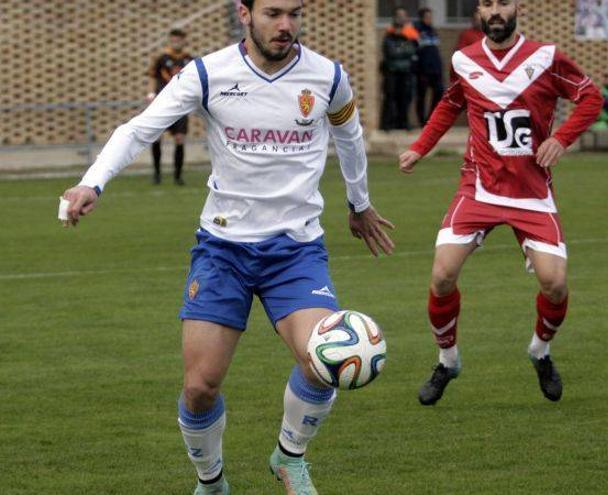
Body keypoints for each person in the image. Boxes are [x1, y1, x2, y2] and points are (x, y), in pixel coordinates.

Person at [60, 1, 395, 493]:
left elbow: (349, 137)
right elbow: (138, 129)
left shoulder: (328, 77)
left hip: (295, 250)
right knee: (199, 387)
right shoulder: (206, 73)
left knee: (323, 361)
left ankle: (289, 456)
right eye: (274, 13)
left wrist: (359, 203)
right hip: (223, 249)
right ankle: (212, 481)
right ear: (245, 13)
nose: (286, 26)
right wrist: (93, 182)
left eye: (294, 14)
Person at [399, 0, 603, 404]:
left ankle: (540, 351)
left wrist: (561, 139)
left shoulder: (546, 57)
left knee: (555, 284)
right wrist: (421, 147)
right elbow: (450, 104)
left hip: (531, 192)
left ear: (517, 7)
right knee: (441, 276)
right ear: (479, 10)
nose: (495, 11)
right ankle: (447, 360)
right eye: (487, 4)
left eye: (502, 3)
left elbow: (591, 97)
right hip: (479, 188)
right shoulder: (463, 60)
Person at [148, 28, 193, 185]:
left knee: (180, 139)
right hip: (162, 104)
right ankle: (157, 174)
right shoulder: (161, 58)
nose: (176, 43)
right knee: (156, 138)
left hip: (180, 105)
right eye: (173, 40)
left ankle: (178, 176)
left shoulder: (189, 59)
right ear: (169, 41)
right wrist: (151, 94)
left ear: (184, 41)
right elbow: (153, 76)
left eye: (179, 40)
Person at [380, 7, 419, 130]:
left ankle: (403, 123)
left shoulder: (410, 34)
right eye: (399, 15)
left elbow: (412, 50)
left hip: (406, 72)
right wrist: (403, 50)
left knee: (405, 98)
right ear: (394, 18)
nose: (401, 18)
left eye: (403, 15)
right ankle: (387, 124)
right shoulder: (389, 34)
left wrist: (401, 50)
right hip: (391, 72)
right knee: (390, 98)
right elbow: (390, 53)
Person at [414, 7, 444, 126]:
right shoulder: (417, 31)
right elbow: (415, 52)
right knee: (421, 95)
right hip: (423, 70)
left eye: (430, 17)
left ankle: (430, 118)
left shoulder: (433, 31)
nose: (429, 19)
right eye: (427, 17)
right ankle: (422, 121)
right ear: (422, 18)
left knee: (439, 92)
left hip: (435, 69)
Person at [450, 10, 484, 83]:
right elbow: (460, 54)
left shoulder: (489, 35)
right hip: (471, 71)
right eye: (476, 20)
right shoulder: (466, 34)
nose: (479, 22)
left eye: (481, 19)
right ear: (472, 21)